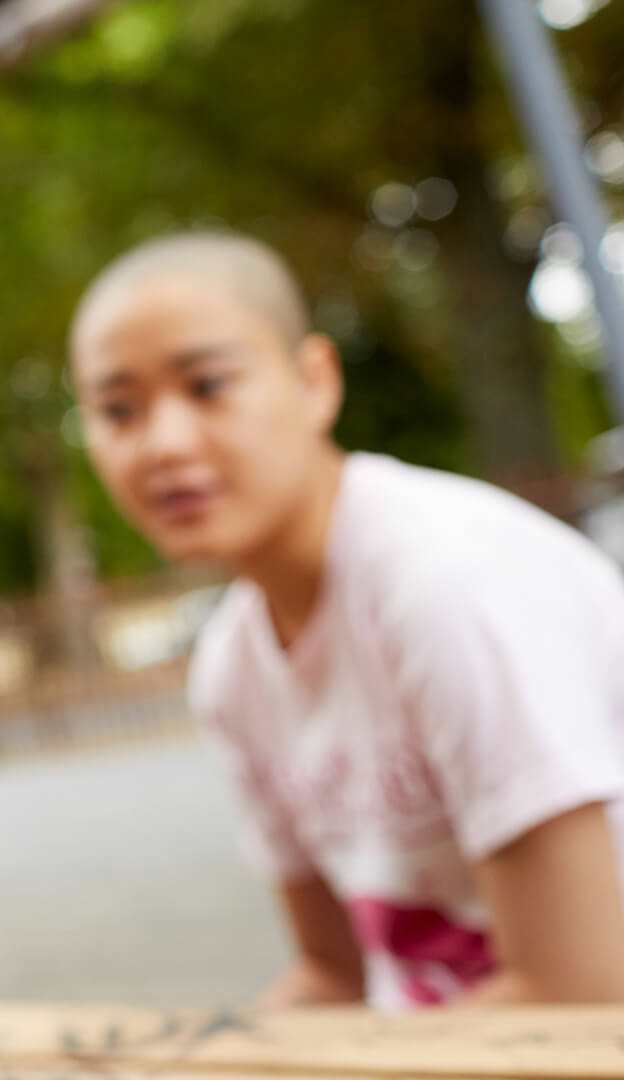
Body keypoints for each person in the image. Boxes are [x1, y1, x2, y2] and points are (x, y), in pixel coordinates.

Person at [69, 231, 624, 1009]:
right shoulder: (232, 666)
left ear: (315, 381)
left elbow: (581, 995)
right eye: (118, 410)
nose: (164, 442)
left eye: (207, 385)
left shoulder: (449, 583)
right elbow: (334, 973)